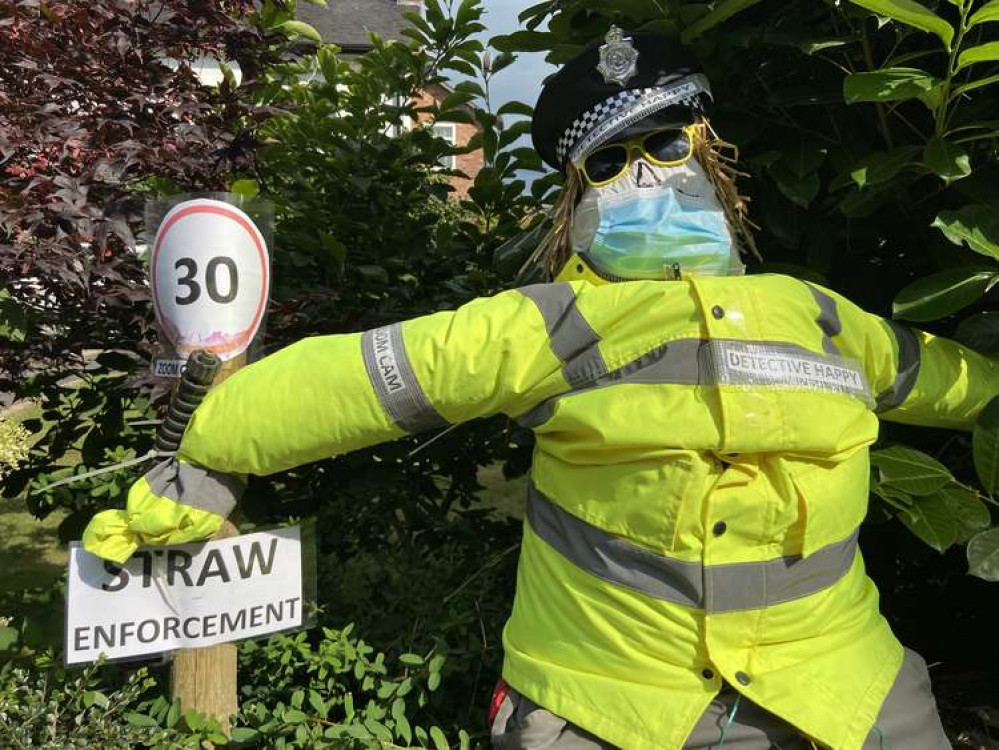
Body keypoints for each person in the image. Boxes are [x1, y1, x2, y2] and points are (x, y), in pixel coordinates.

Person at [82, 27, 994, 750]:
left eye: (666, 143)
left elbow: (955, 383)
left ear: (709, 155)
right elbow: (357, 380)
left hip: (849, 693)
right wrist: (202, 453)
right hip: (603, 705)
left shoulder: (820, 316)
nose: (645, 174)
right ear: (575, 199)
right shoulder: (542, 327)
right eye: (607, 163)